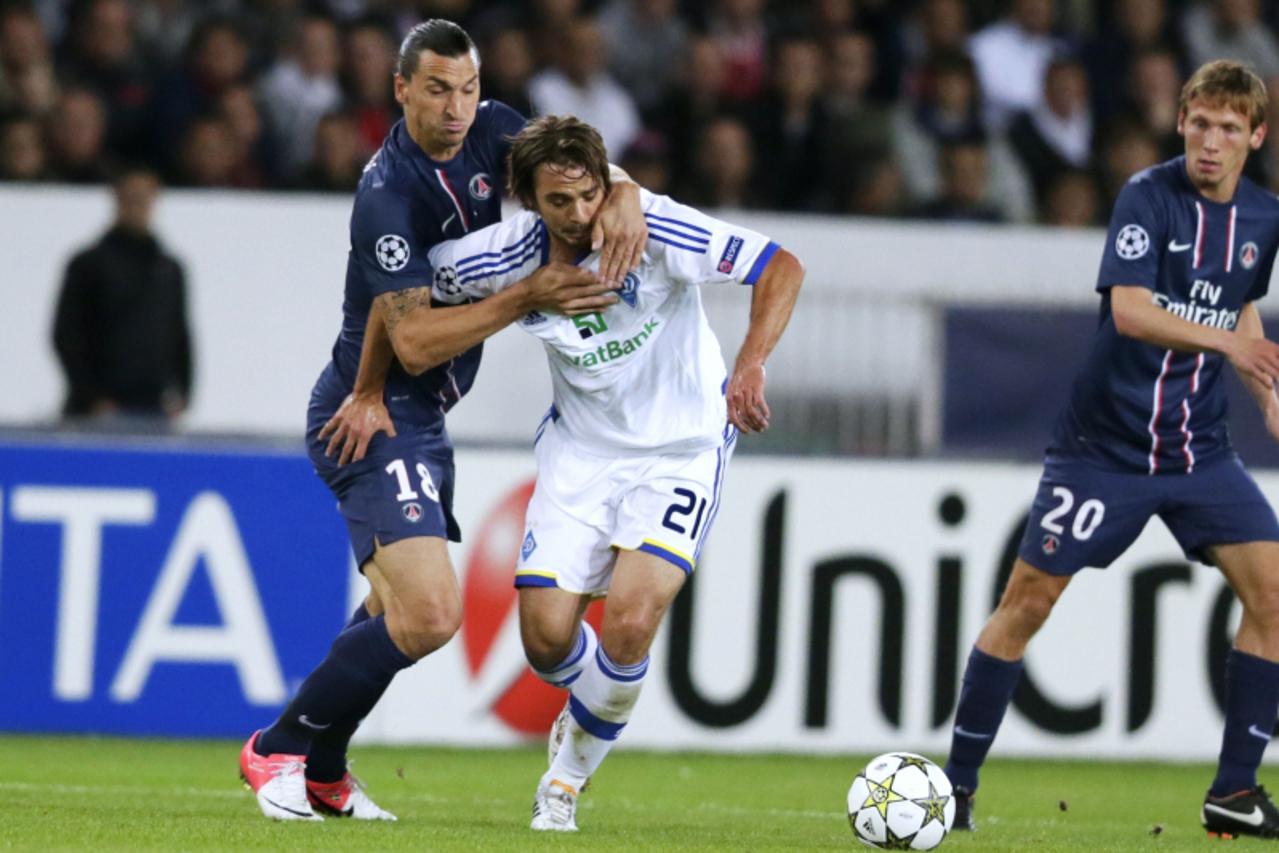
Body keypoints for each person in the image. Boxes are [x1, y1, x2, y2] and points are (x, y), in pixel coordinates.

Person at [237, 19, 646, 823]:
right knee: (429, 614)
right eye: (435, 89)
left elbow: (579, 165)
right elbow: (416, 341)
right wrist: (526, 296)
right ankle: (277, 745)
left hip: (418, 414)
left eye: (466, 88)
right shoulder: (387, 195)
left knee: (397, 609)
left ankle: (323, 772)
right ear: (400, 89)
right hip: (376, 409)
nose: (456, 107)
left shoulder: (496, 130)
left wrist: (625, 192)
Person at [426, 115, 804, 831]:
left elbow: (780, 265)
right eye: (557, 202)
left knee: (631, 618)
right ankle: (602, 699)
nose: (577, 216)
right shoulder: (500, 257)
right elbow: (415, 288)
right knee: (543, 641)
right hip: (581, 454)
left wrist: (751, 361)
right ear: (529, 202)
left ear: (607, 186)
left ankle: (563, 783)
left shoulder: (651, 228)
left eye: (589, 196)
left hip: (681, 448)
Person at [942, 60, 1279, 840]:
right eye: (1200, 122)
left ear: (1254, 138)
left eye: (1230, 128)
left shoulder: (1263, 219)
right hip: (1103, 448)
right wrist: (1228, 343)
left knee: (1272, 596)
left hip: (1199, 451)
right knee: (1026, 603)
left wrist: (1266, 392)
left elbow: (1243, 307)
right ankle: (956, 785)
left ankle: (1232, 791)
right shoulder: (1145, 196)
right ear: (1180, 123)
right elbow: (1129, 312)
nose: (1211, 140)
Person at [52, 165, 192, 421]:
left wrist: (184, 392)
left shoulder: (169, 269)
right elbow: (66, 334)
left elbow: (179, 333)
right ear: (117, 199)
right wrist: (91, 397)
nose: (138, 206)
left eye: (145, 199)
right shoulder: (88, 264)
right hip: (99, 407)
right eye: (131, 198)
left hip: (154, 405)